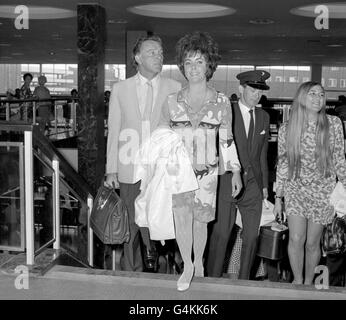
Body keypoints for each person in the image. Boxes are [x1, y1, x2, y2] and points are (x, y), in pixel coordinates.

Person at [159, 31, 242, 291]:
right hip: (178, 171)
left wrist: (236, 172)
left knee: (200, 220)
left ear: (209, 65)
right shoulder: (172, 101)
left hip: (207, 173)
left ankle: (199, 261)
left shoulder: (221, 102)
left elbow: (227, 140)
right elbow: (161, 138)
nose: (194, 67)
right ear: (182, 66)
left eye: (199, 61)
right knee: (182, 218)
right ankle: (187, 265)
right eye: (189, 62)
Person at [105, 35, 181, 272]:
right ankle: (131, 272)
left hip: (161, 168)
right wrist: (111, 169)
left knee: (158, 219)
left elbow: (179, 130)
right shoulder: (120, 89)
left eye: (160, 53)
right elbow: (114, 130)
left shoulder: (175, 87)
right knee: (130, 223)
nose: (158, 56)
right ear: (137, 58)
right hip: (130, 166)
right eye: (152, 52)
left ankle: (158, 263)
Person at [273, 81, 346, 285]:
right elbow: (283, 164)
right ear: (302, 98)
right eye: (312, 94)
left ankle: (308, 283)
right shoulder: (288, 128)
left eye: (321, 94)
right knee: (296, 238)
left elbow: (340, 159)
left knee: (313, 243)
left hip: (323, 192)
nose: (317, 98)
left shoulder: (334, 124)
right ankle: (297, 281)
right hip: (296, 189)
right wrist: (279, 197)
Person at [207, 70, 270, 280]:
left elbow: (262, 153)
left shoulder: (263, 116)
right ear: (240, 89)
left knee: (252, 236)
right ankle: (213, 279)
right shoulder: (227, 112)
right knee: (222, 234)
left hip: (253, 184)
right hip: (227, 180)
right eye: (252, 89)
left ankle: (244, 282)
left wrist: (263, 186)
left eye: (259, 91)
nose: (256, 95)